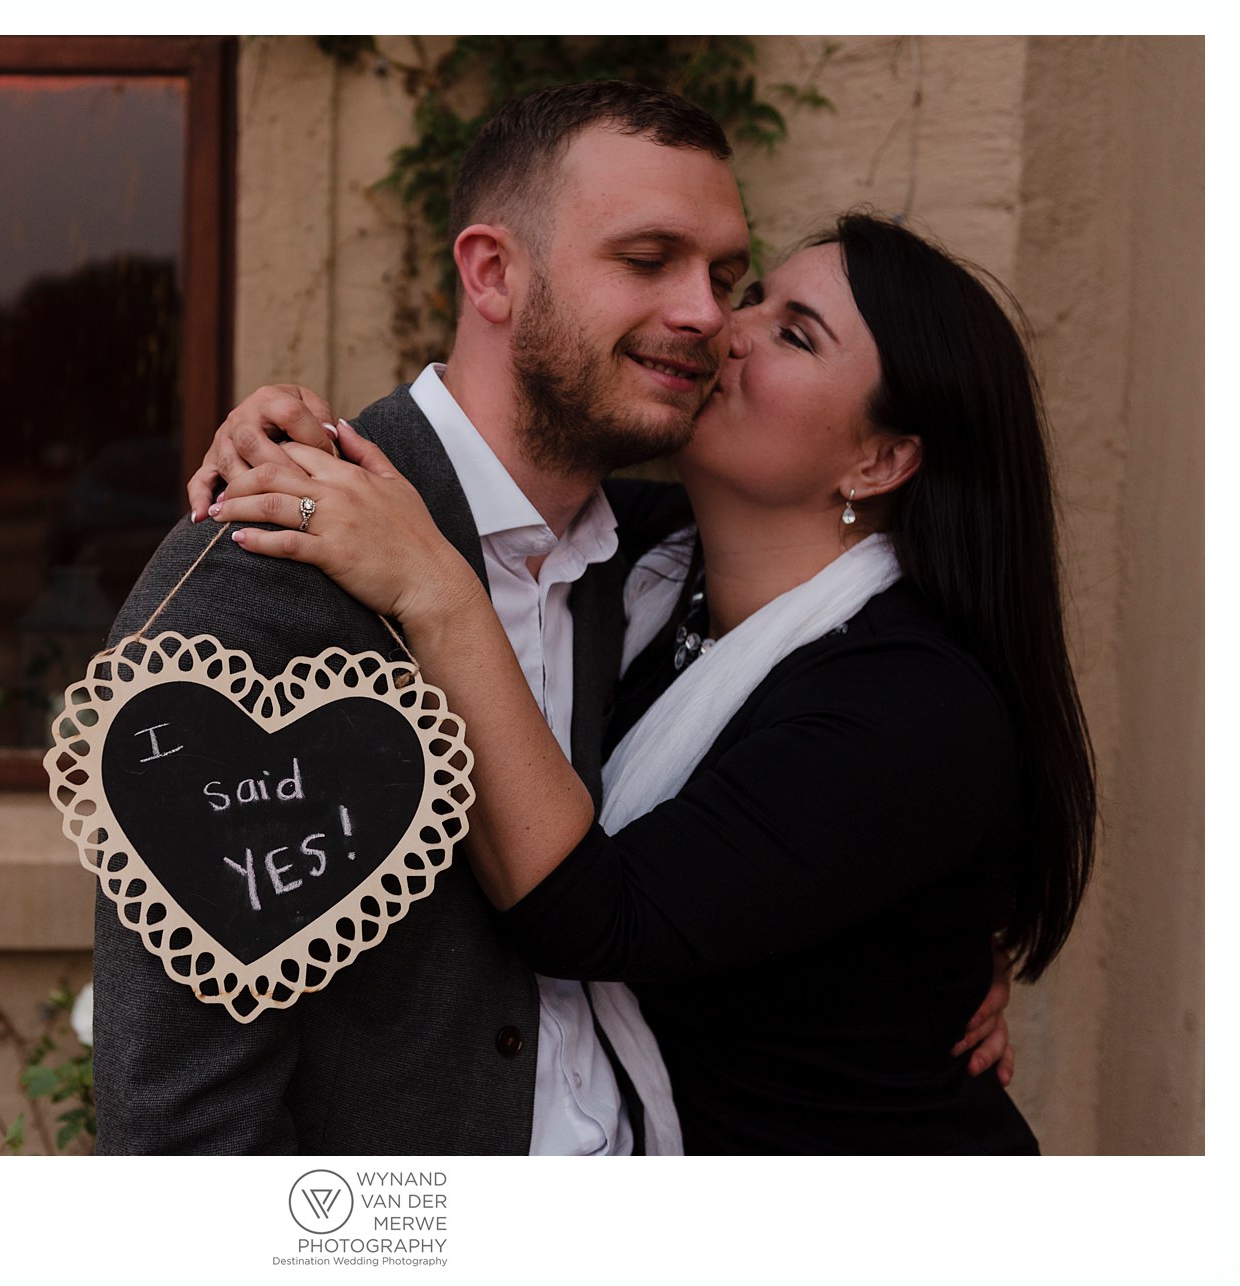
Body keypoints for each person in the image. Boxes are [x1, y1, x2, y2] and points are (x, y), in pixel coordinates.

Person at [92, 81, 1011, 1155]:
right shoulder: (275, 567)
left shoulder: (638, 564)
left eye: (722, 276)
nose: (710, 316)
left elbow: (828, 796)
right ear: (491, 271)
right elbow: (180, 1121)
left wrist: (944, 934)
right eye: (647, 259)